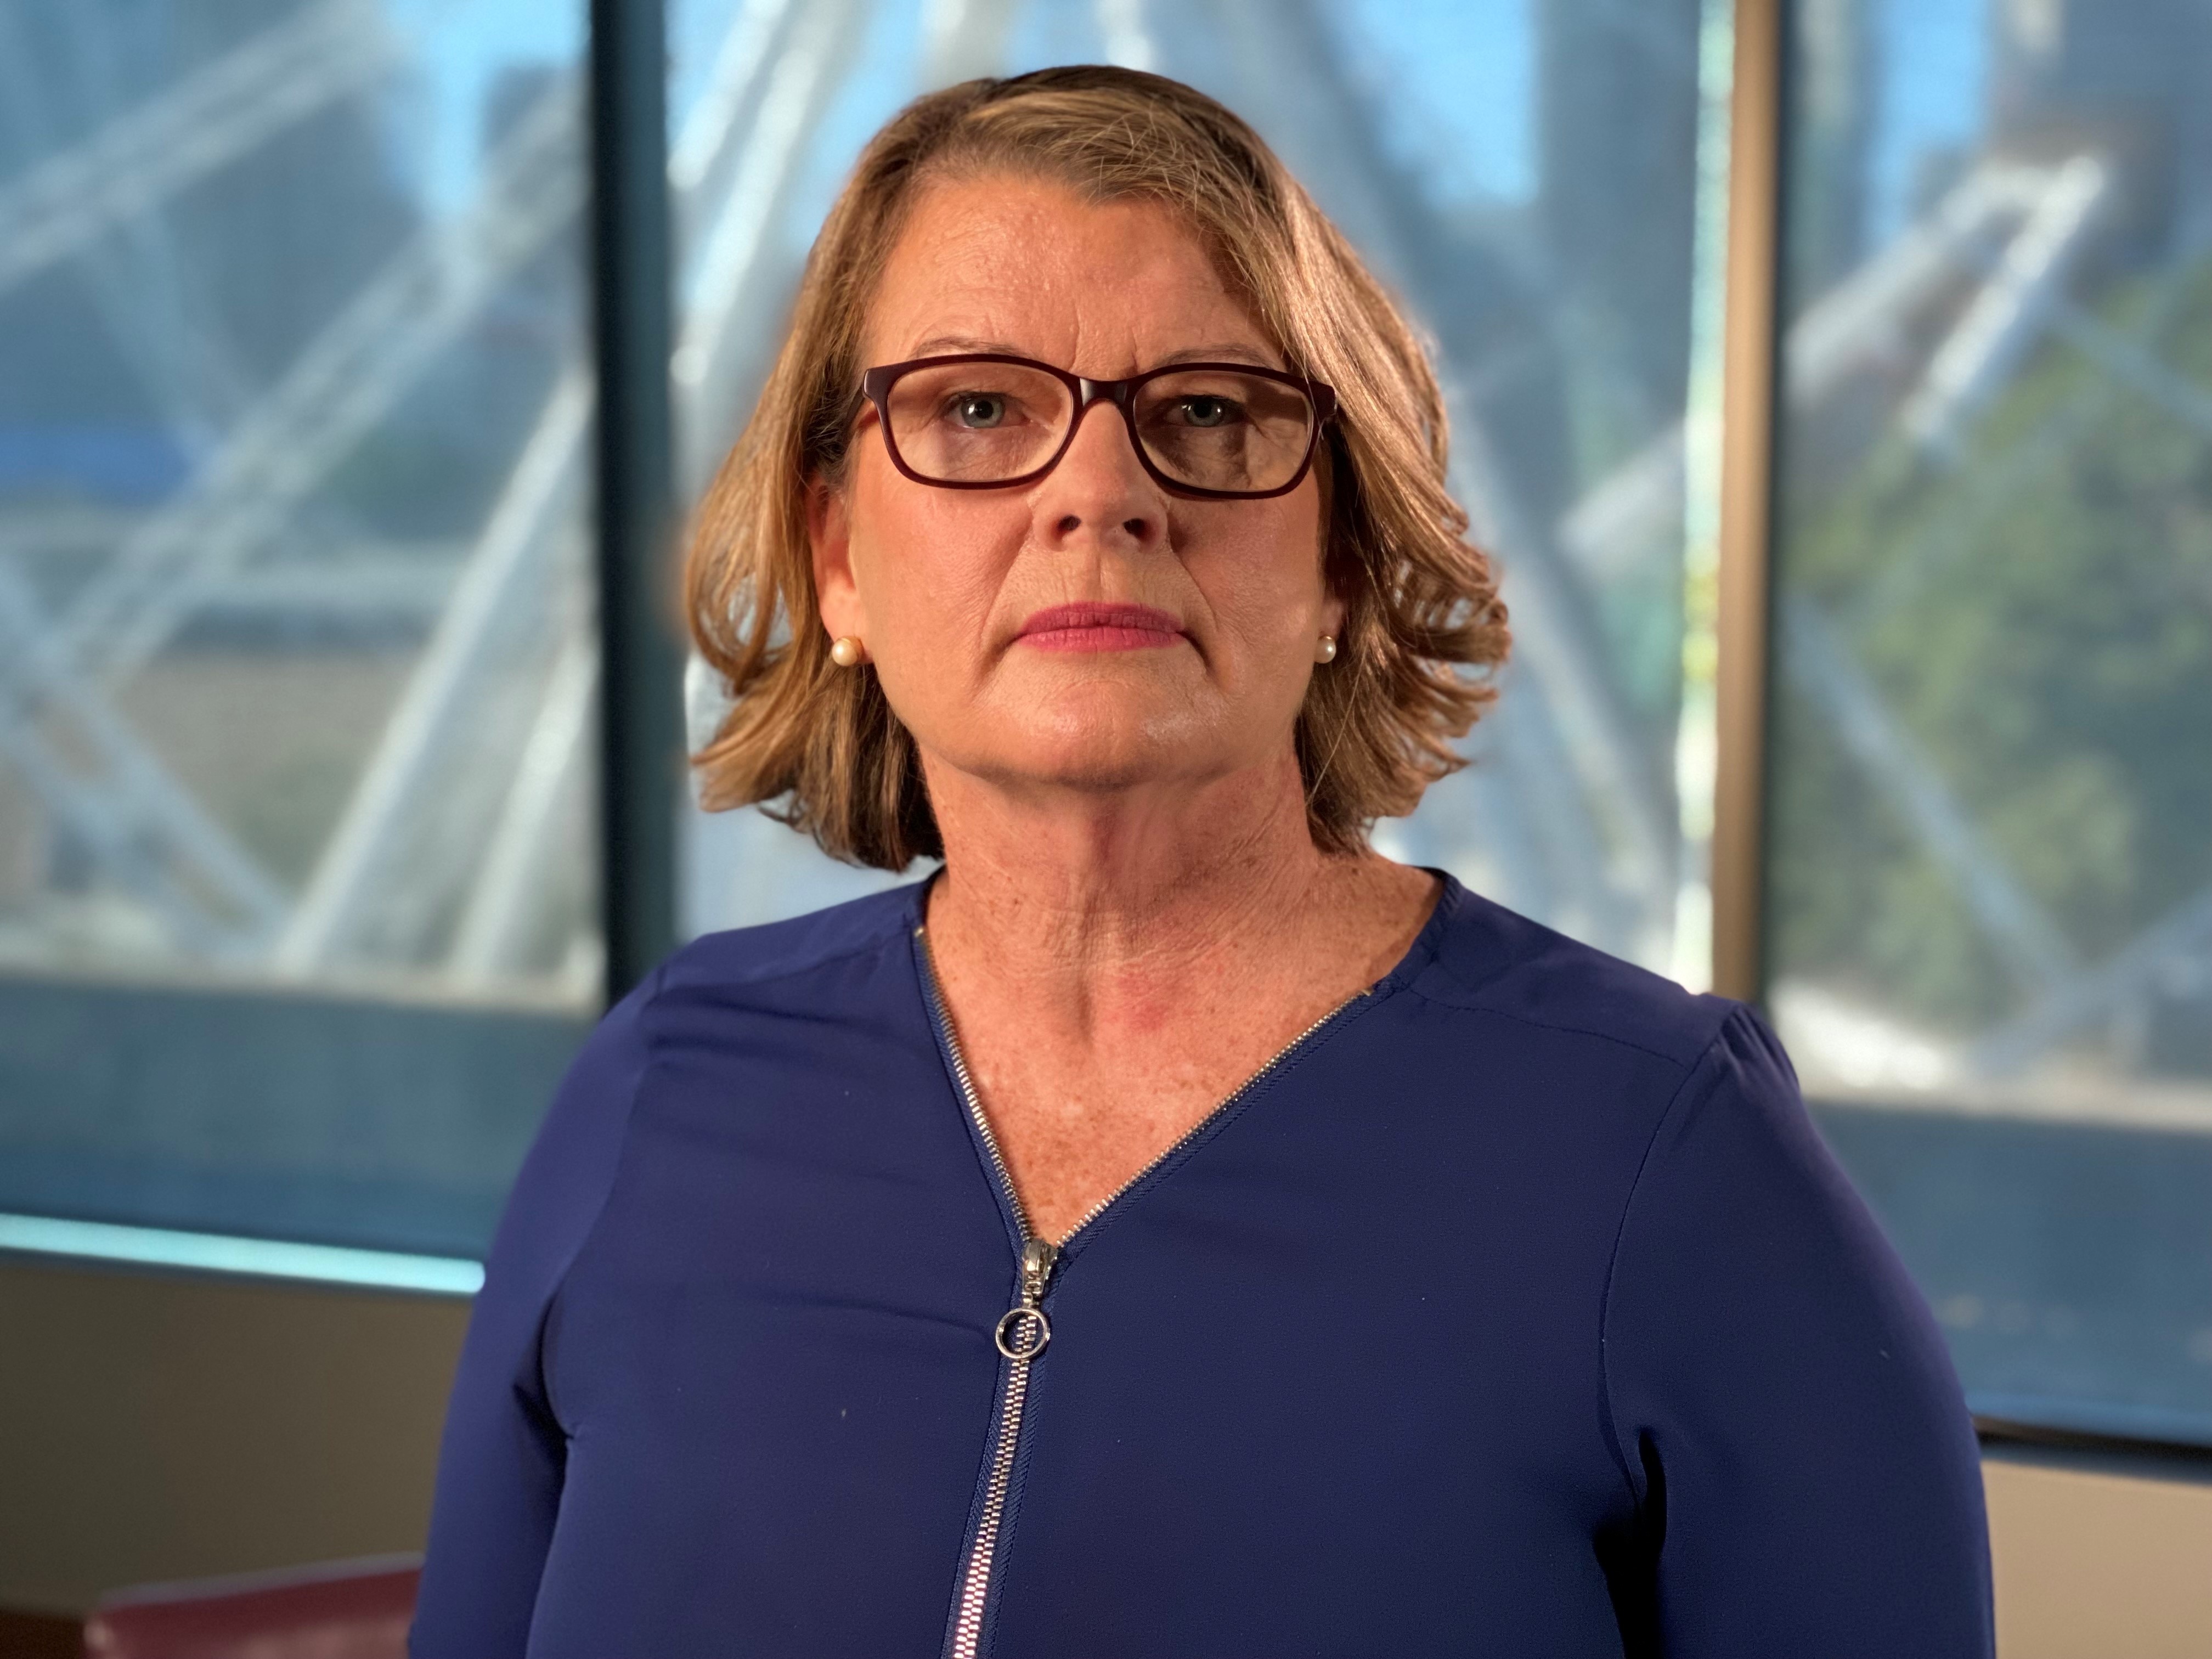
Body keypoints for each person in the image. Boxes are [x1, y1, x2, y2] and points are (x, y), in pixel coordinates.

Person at [411, 66, 1993, 1658]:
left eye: (1211, 417)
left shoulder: (1670, 1157)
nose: (1100, 495)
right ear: (839, 563)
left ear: (1341, 565)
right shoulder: (656, 1095)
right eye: (976, 410)